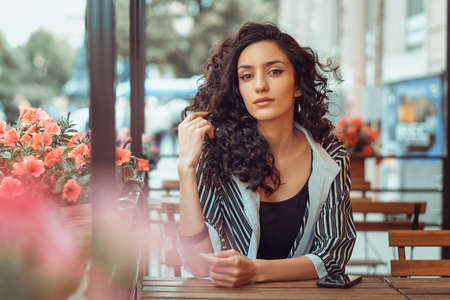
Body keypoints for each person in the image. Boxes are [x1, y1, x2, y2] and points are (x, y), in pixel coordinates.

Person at [177, 22, 356, 287]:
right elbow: (200, 264)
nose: (260, 85)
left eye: (274, 71)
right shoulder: (214, 150)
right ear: (239, 90)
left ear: (298, 85)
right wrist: (185, 169)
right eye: (247, 76)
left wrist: (256, 271)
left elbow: (332, 255)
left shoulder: (330, 155)